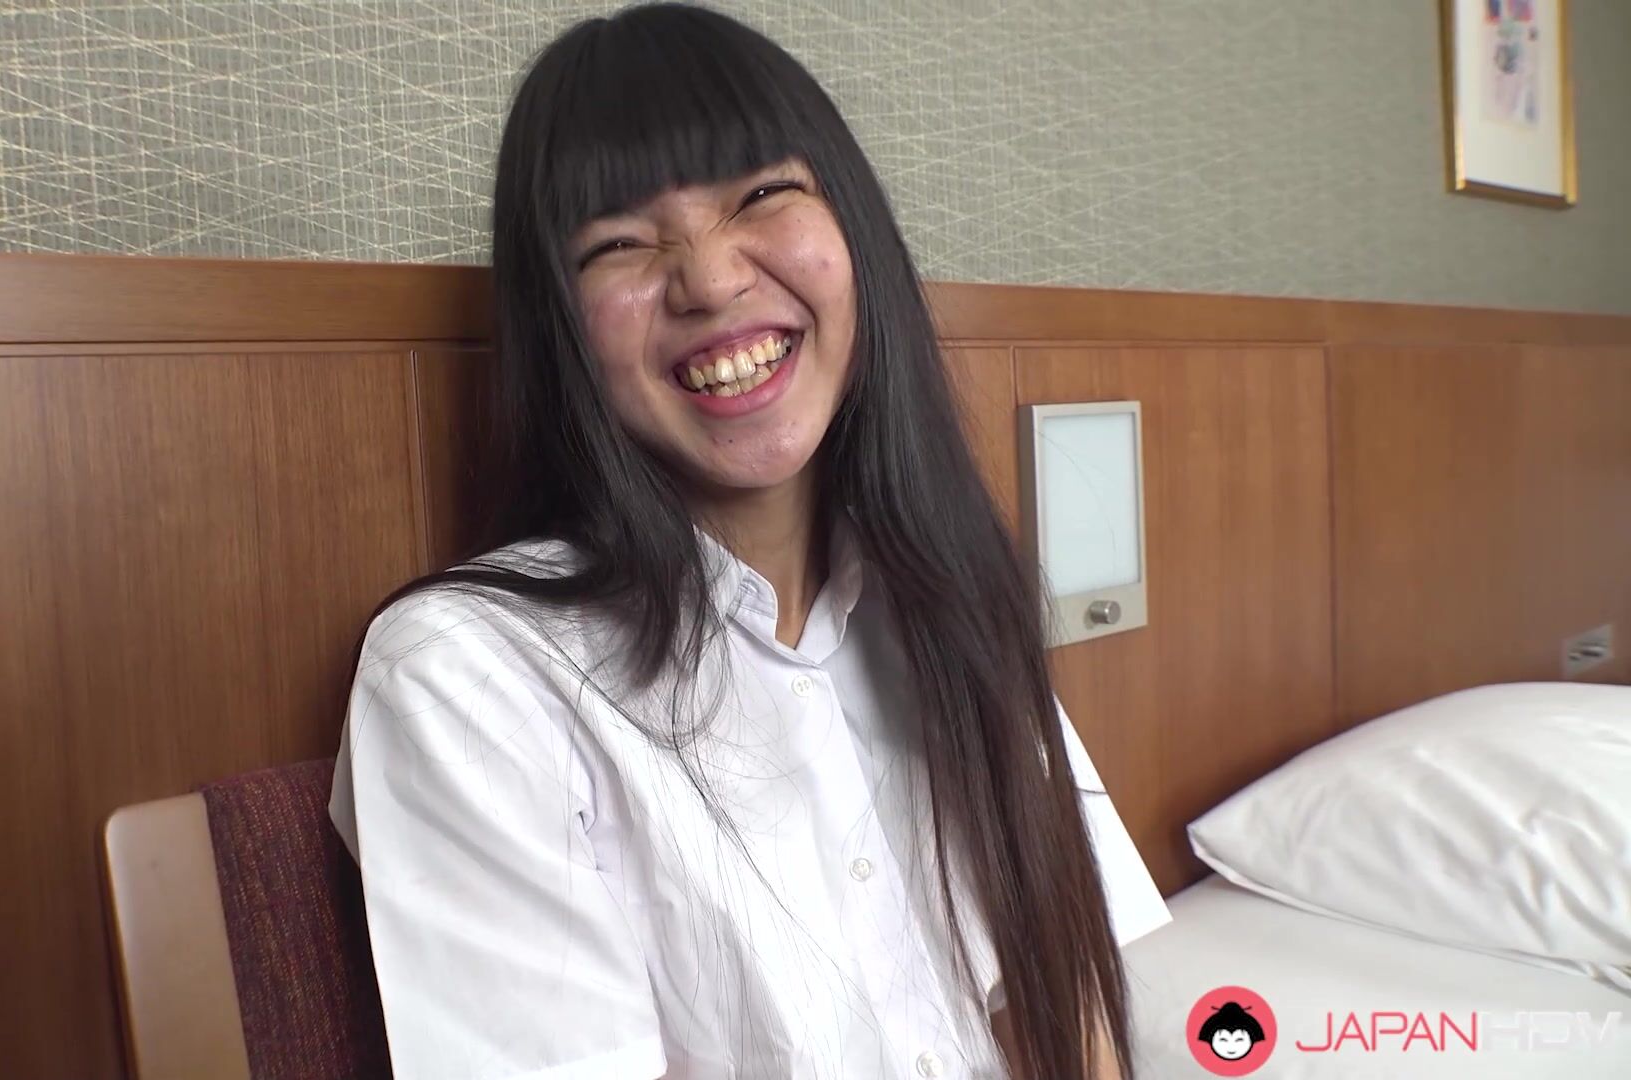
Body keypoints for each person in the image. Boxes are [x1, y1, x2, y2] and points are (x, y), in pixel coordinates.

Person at [328, 5, 1169, 1077]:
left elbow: (1065, 1009)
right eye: (619, 243)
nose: (712, 279)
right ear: (559, 329)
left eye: (762, 195)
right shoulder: (470, 675)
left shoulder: (948, 594)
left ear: (854, 231)